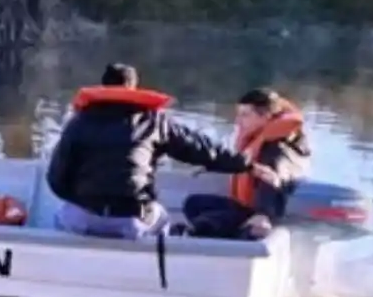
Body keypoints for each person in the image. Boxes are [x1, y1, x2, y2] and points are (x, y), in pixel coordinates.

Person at [46, 63, 278, 240]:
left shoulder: (78, 123)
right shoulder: (154, 121)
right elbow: (201, 149)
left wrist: (81, 201)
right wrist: (246, 164)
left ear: (103, 87)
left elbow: (55, 178)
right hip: (132, 220)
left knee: (60, 216)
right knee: (163, 220)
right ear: (132, 88)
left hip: (85, 216)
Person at [181, 89, 310, 240]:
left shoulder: (276, 148)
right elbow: (243, 163)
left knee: (204, 225)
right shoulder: (263, 137)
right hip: (246, 208)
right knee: (194, 204)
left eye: (245, 115)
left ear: (266, 116)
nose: (238, 121)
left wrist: (263, 214)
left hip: (258, 214)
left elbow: (272, 177)